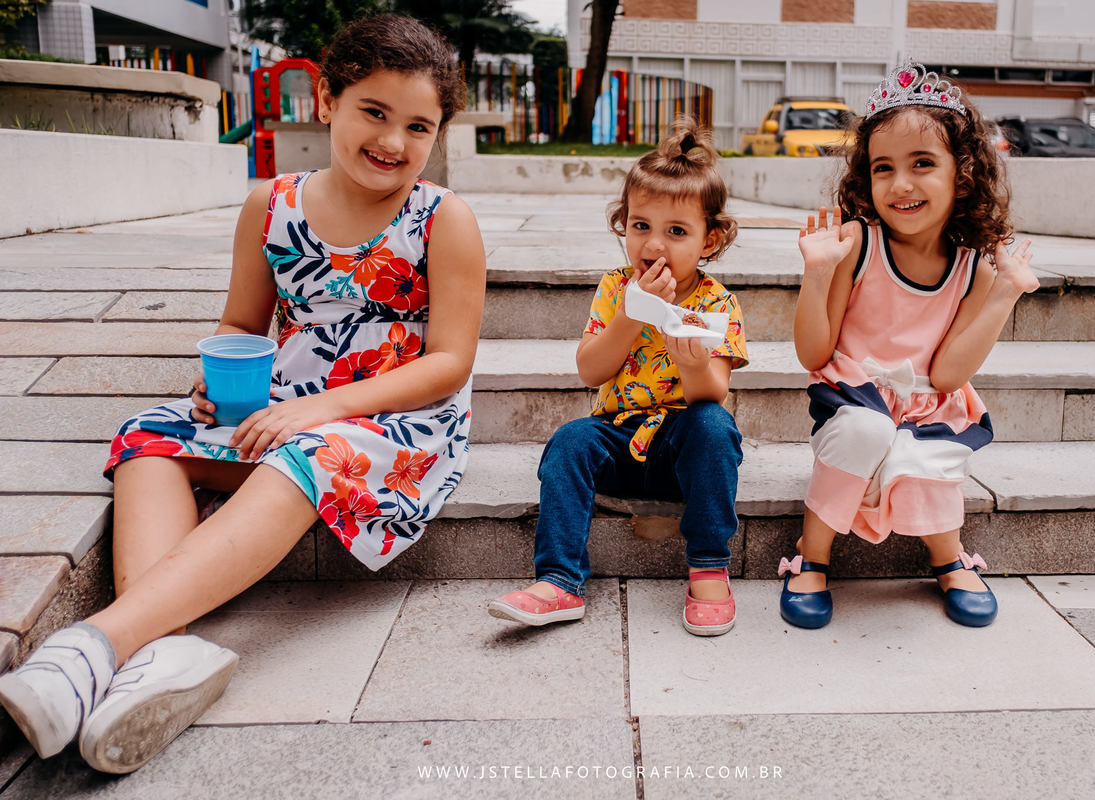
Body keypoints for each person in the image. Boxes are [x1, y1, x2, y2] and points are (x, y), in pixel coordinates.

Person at [0, 15, 485, 773]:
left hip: (393, 426)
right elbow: (240, 322)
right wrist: (214, 386)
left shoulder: (441, 218)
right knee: (147, 438)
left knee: (304, 454)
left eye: (418, 126)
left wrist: (318, 409)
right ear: (325, 99)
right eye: (375, 113)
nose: (394, 141)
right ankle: (163, 658)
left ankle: (91, 649)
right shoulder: (273, 203)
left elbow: (450, 361)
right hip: (280, 406)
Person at [781, 60, 1038, 630]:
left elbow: (947, 376)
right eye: (883, 167)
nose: (900, 184)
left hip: (927, 400)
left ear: (962, 174)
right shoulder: (859, 244)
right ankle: (811, 553)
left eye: (922, 164)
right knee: (868, 430)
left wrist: (1003, 297)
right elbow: (813, 356)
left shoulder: (974, 267)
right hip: (850, 393)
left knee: (919, 451)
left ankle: (950, 561)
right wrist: (817, 274)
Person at [488, 118, 748, 636]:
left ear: (710, 239)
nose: (655, 245)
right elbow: (591, 370)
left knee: (714, 426)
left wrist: (693, 361)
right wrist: (634, 314)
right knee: (569, 440)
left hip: (682, 449)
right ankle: (559, 580)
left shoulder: (716, 302)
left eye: (676, 232)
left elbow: (712, 392)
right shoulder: (615, 288)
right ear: (622, 225)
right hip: (617, 440)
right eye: (641, 226)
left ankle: (709, 565)